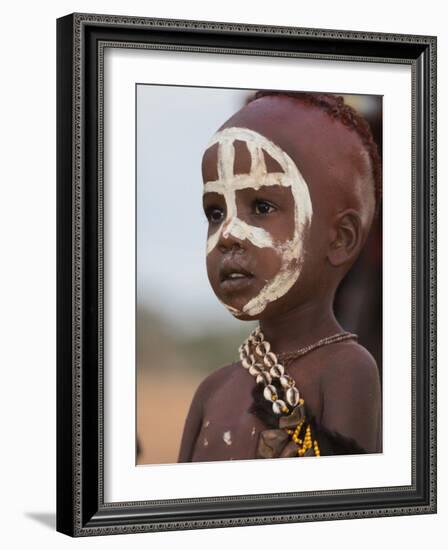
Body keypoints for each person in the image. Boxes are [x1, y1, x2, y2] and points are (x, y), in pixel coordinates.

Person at [178, 91, 382, 462]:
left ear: (340, 238)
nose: (228, 234)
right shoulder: (212, 391)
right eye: (215, 212)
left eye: (261, 206)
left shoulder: (347, 370)